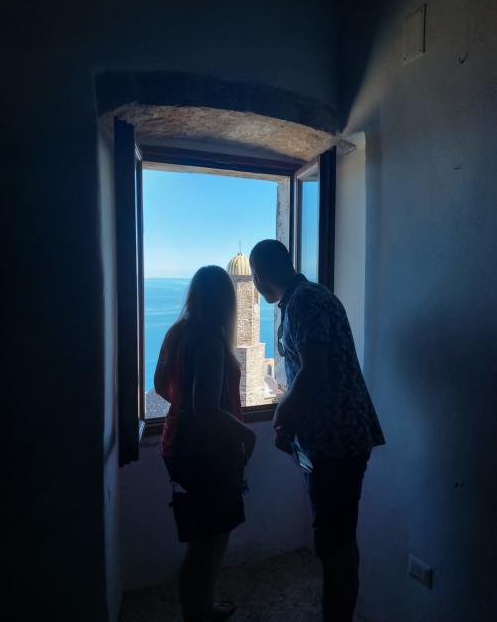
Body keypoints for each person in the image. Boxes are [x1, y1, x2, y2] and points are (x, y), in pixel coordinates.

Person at [249, 240, 385, 622]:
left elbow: (313, 371)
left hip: (335, 440)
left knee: (334, 541)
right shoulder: (311, 296)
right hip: (338, 436)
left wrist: (281, 418)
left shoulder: (304, 302)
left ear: (258, 276)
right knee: (337, 535)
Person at [154, 265, 256, 622]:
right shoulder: (212, 342)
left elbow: (160, 384)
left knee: (209, 536)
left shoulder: (177, 333)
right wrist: (245, 432)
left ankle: (201, 608)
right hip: (206, 453)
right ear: (226, 300)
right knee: (206, 544)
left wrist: (183, 405)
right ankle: (198, 614)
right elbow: (207, 408)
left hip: (177, 444)